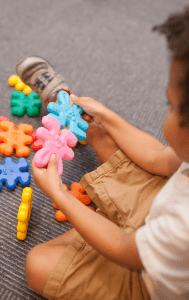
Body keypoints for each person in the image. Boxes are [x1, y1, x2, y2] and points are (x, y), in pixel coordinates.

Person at [17, 7, 189, 300]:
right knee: (99, 131)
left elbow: (123, 248)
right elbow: (156, 158)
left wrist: (58, 193)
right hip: (159, 212)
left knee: (37, 264)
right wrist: (107, 116)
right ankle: (65, 100)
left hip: (145, 278)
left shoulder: (182, 228)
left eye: (171, 106)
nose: (167, 113)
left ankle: (105, 219)